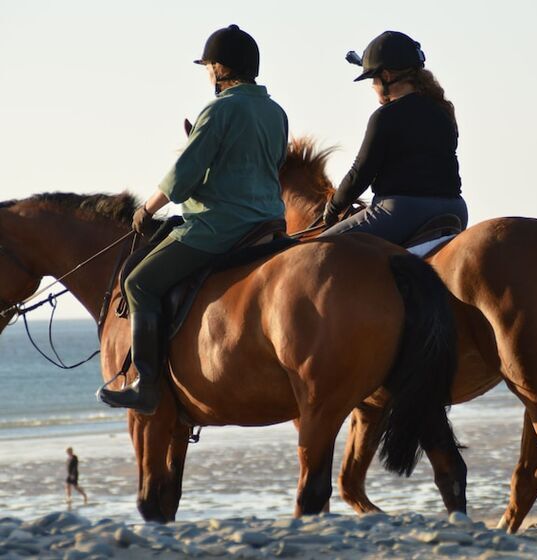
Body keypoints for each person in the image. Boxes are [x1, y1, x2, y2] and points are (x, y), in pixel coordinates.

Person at [98, 24, 289, 415]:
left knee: (139, 281)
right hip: (269, 223)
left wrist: (146, 209)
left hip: (219, 227)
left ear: (220, 68)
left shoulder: (220, 110)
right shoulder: (275, 111)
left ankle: (147, 385)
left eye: (208, 67)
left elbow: (183, 175)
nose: (207, 74)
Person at [321, 31, 467, 244]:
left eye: (373, 79)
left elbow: (360, 172)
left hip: (403, 212)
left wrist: (334, 207)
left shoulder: (384, 117)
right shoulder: (442, 110)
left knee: (315, 251)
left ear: (387, 76)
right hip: (456, 209)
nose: (372, 87)